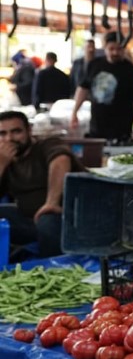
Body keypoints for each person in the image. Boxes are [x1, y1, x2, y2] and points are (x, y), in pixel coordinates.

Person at [0, 110, 85, 258]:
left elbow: (60, 160)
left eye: (16, 132)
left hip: (68, 219)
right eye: (2, 134)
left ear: (29, 131)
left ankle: (54, 267)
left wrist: (51, 203)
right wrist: (2, 164)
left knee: (47, 220)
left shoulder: (47, 144)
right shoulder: (5, 159)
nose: (9, 139)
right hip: (29, 219)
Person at [70, 33, 133, 142]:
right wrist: (74, 112)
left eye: (119, 49)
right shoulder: (94, 65)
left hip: (122, 128)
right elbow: (83, 89)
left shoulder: (131, 70)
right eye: (111, 49)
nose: (115, 52)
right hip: (97, 125)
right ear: (105, 48)